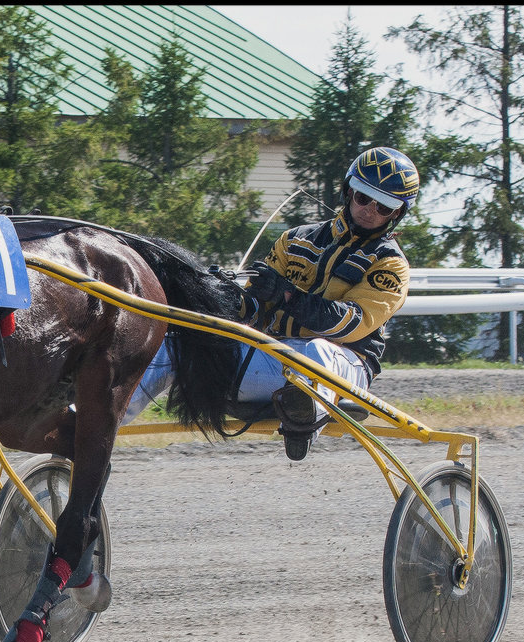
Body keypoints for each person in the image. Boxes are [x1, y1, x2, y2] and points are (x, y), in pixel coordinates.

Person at [125, 146, 417, 461]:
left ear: (397, 213)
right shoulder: (294, 240)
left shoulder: (391, 264)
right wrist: (220, 296)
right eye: (363, 197)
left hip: (344, 369)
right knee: (173, 345)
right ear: (348, 191)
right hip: (274, 359)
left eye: (384, 206)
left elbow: (349, 325)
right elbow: (253, 311)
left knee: (317, 351)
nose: (370, 209)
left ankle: (303, 418)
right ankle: (93, 420)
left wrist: (288, 296)